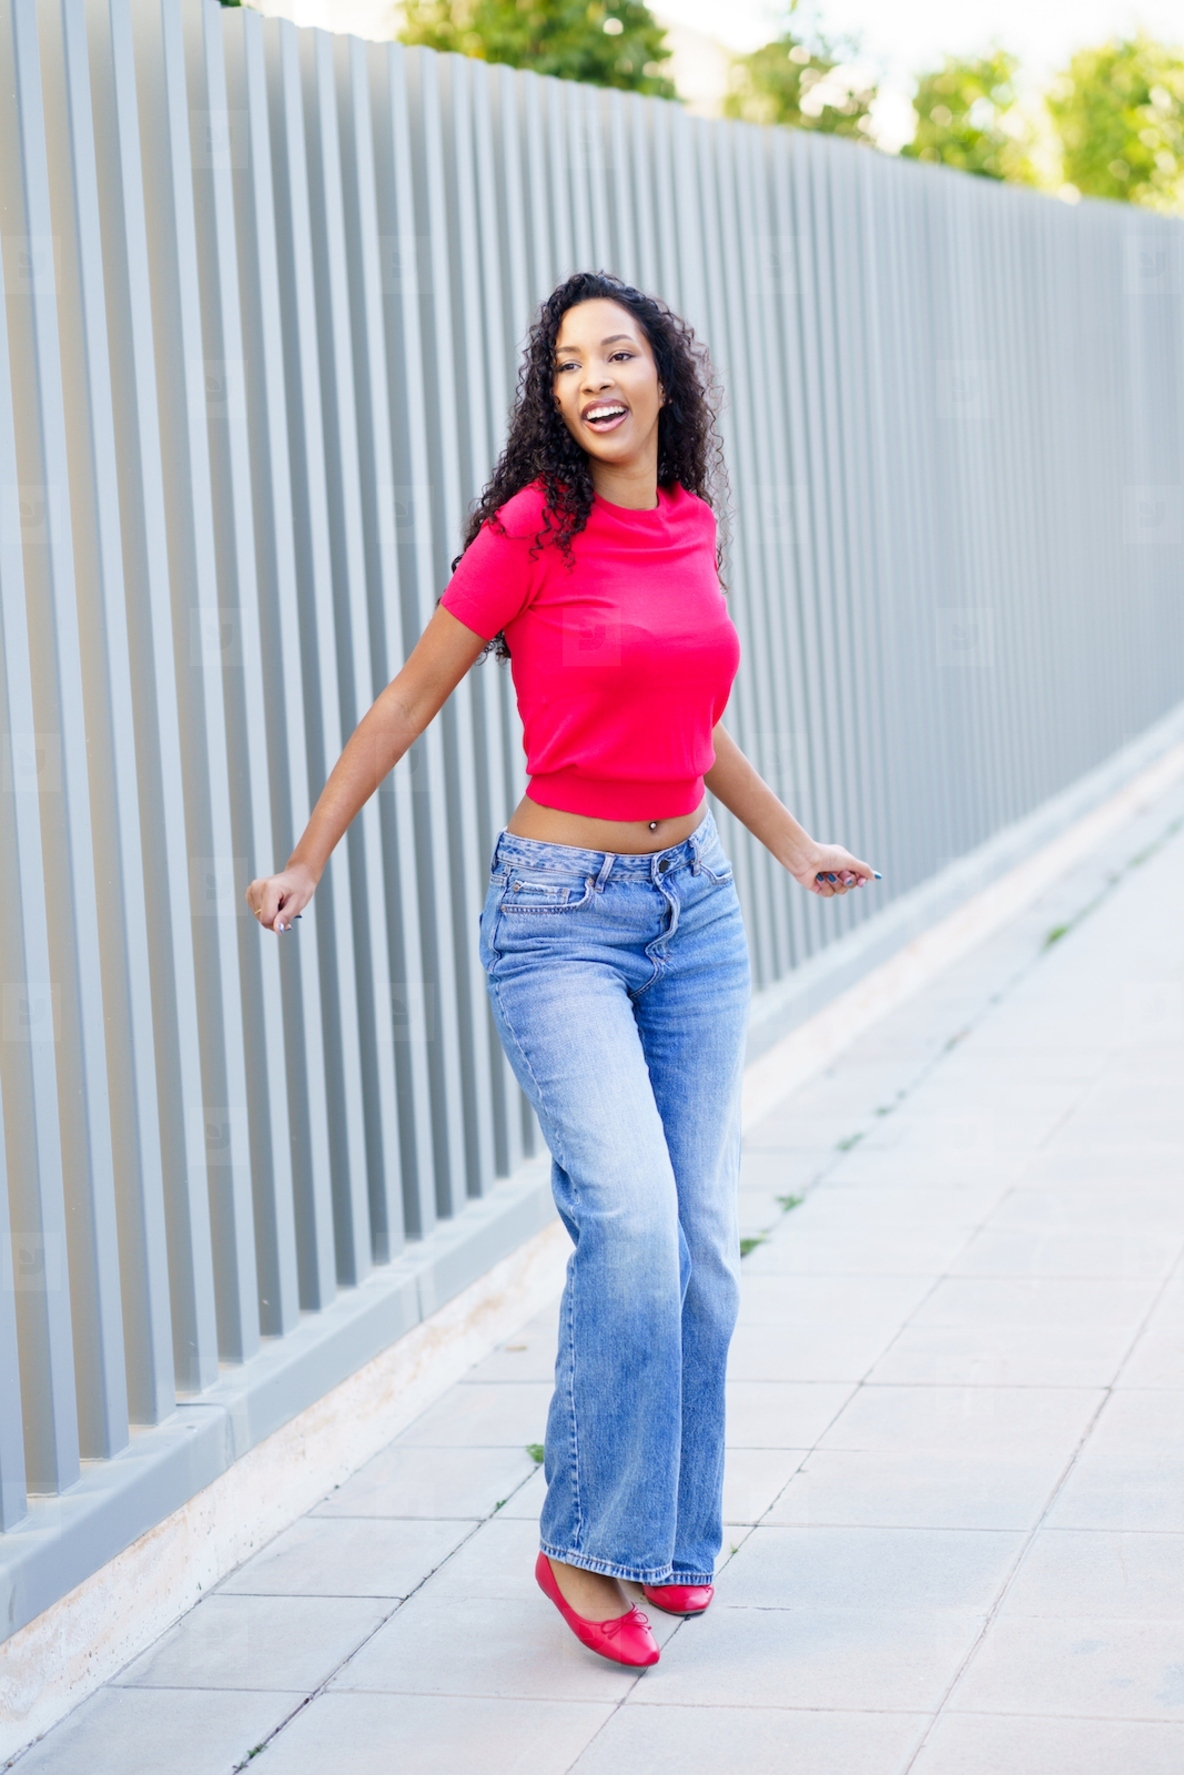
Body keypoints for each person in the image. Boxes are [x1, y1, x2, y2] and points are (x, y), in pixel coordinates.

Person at [247, 270, 875, 1669]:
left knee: (706, 1254)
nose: (595, 377)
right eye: (570, 362)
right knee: (634, 1228)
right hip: (559, 921)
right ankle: (582, 1545)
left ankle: (669, 1541)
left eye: (621, 353)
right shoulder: (530, 533)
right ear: (555, 397)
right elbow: (409, 694)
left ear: (665, 380)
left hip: (694, 913)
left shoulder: (690, 524)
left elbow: (695, 718)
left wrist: (789, 844)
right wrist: (308, 855)